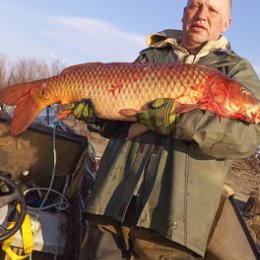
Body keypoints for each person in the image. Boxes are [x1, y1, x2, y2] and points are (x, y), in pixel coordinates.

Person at [72, 0, 260, 259]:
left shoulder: (236, 71)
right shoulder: (150, 56)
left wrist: (183, 122)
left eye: (213, 9)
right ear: (184, 13)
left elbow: (248, 137)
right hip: (112, 203)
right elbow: (122, 123)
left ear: (226, 23)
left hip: (173, 222)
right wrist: (97, 117)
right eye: (195, 6)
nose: (202, 15)